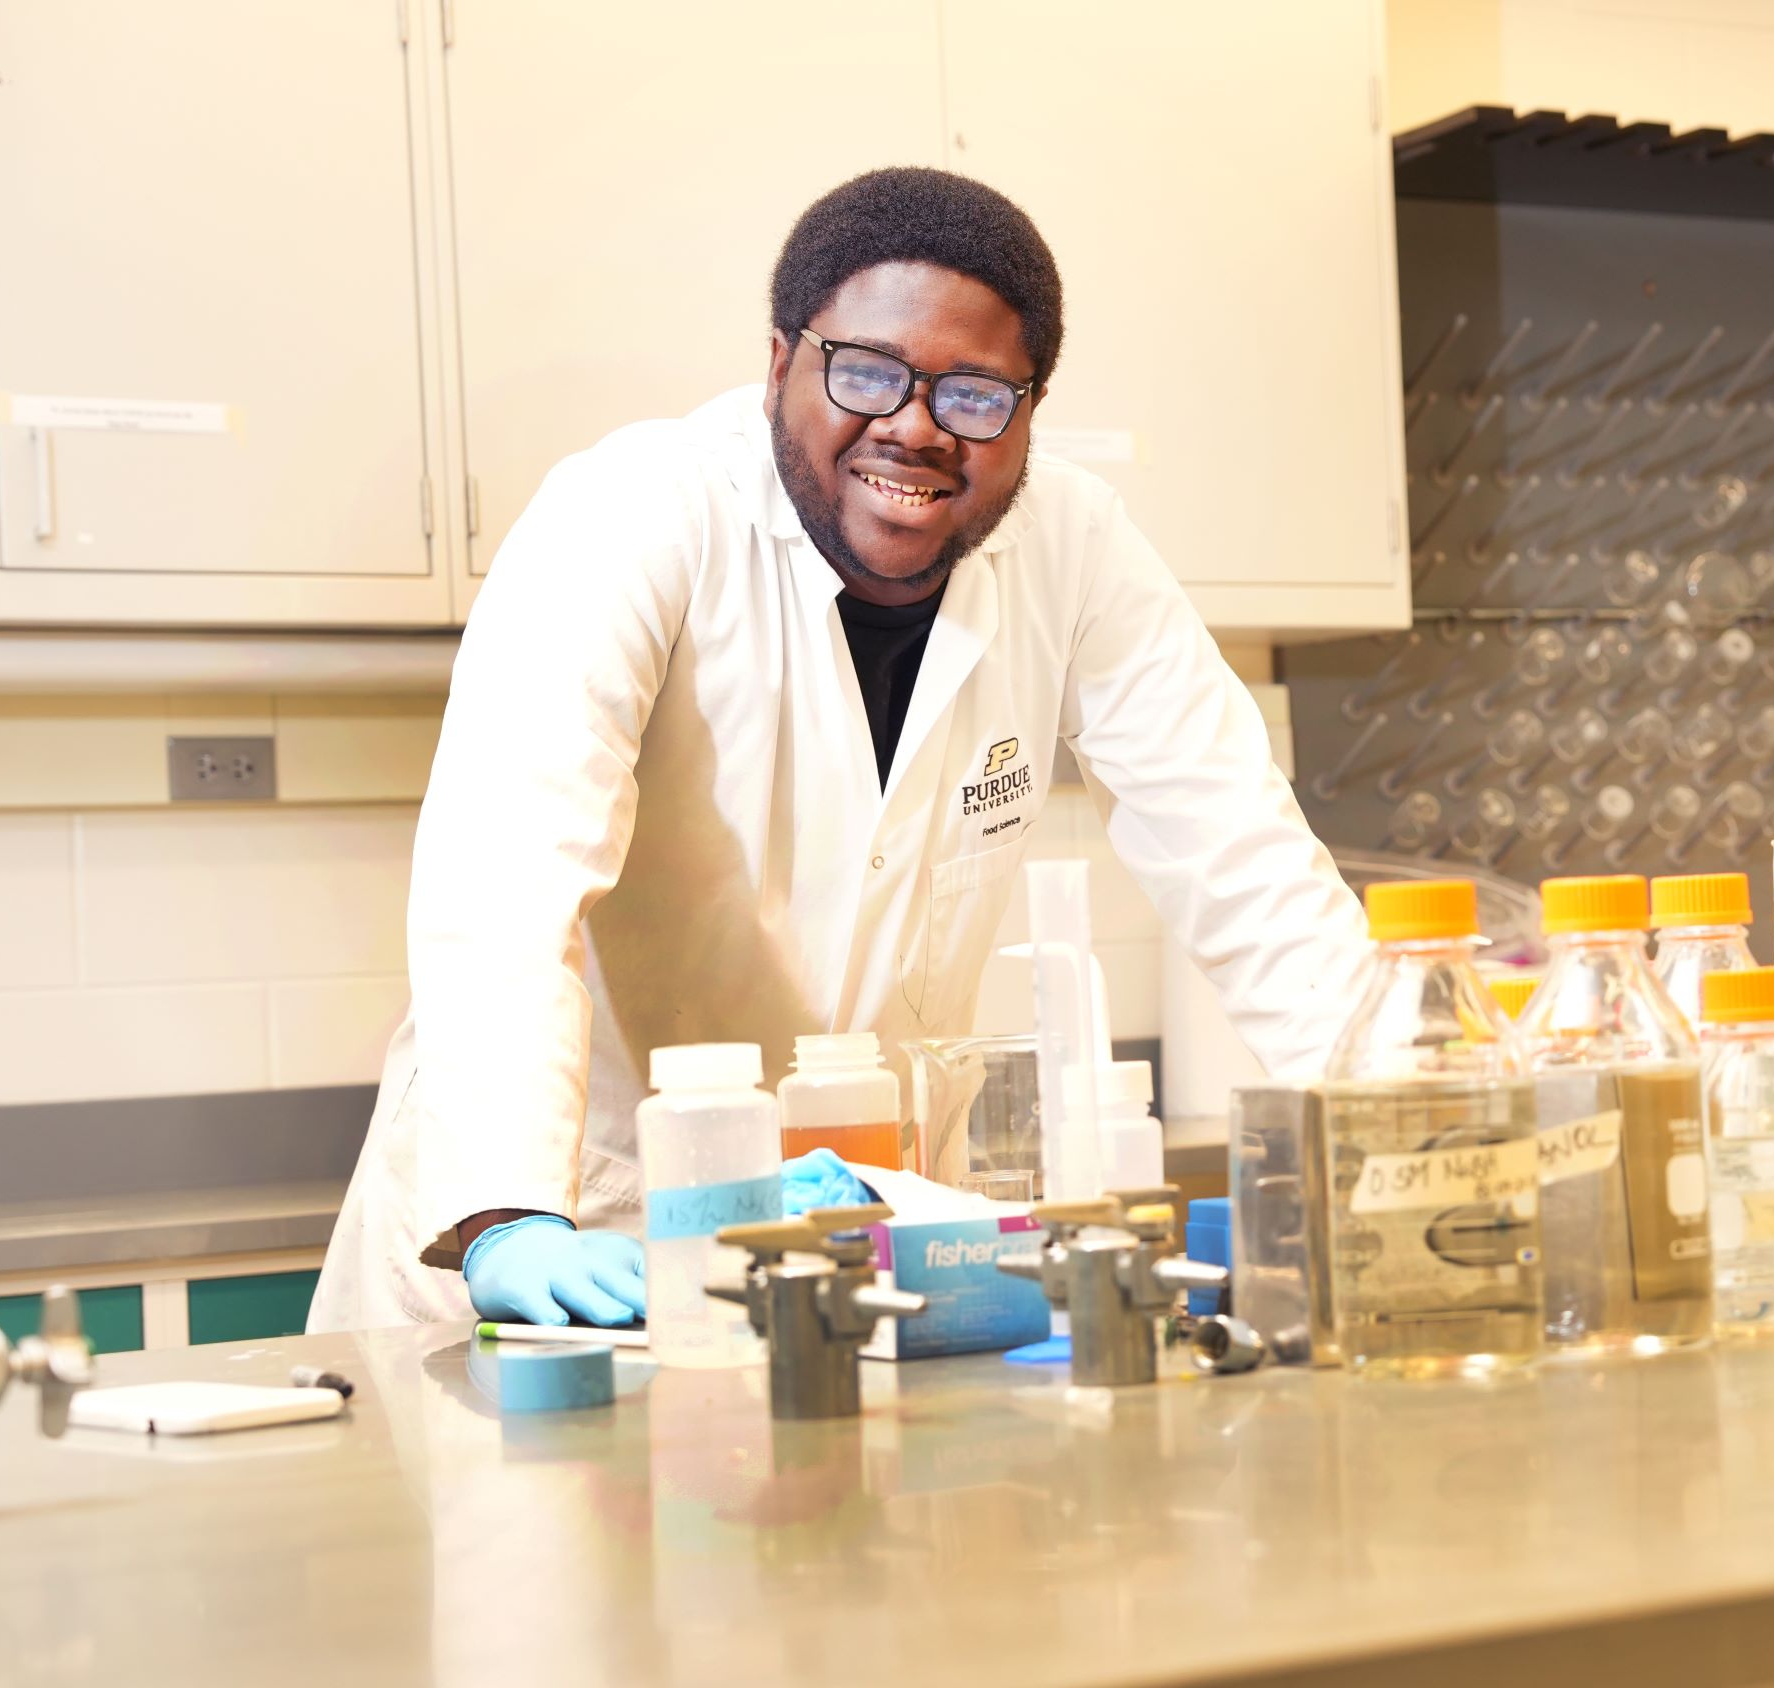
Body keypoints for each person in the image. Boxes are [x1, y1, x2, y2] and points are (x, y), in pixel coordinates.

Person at [313, 168, 1373, 1331]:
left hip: (861, 1247)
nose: (913, 428)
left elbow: (1243, 857)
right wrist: (509, 1209)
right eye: (865, 373)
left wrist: (1413, 1126)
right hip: (575, 1236)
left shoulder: (1075, 546)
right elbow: (509, 876)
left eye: (975, 395)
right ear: (782, 364)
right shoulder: (632, 512)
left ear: (1028, 409)